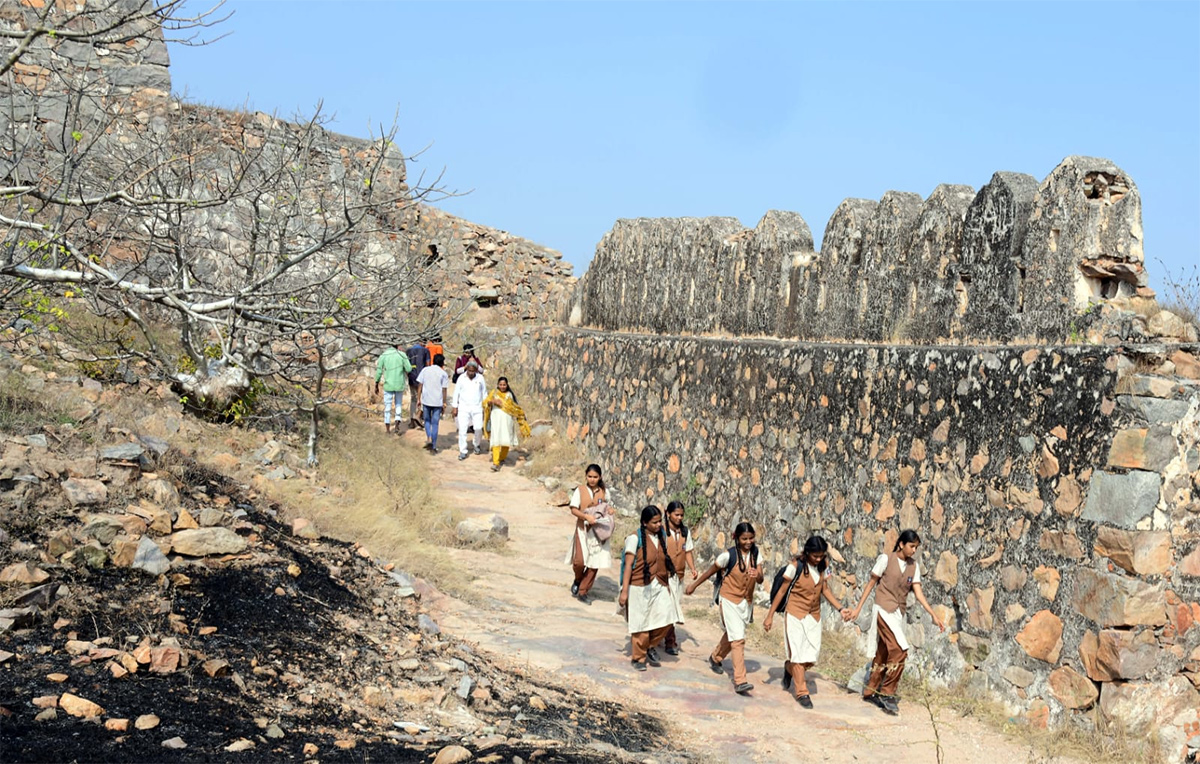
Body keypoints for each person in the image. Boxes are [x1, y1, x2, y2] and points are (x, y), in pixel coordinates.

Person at [848, 529, 946, 716]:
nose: (913, 550)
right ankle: (887, 693)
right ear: (901, 544)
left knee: (884, 652)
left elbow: (918, 593)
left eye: (916, 547)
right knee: (900, 649)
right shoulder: (886, 560)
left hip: (897, 613)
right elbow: (871, 584)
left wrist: (933, 614)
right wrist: (858, 609)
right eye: (911, 546)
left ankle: (871, 690)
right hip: (883, 609)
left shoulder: (913, 566)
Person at [763, 535, 852, 709]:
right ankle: (802, 692)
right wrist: (770, 615)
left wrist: (840, 609)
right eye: (815, 556)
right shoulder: (794, 567)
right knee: (797, 653)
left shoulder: (823, 566)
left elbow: (824, 590)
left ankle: (789, 669)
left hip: (813, 615)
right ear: (807, 552)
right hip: (795, 614)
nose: (818, 559)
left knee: (810, 656)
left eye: (821, 556)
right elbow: (781, 592)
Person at [686, 522, 763, 695]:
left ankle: (715, 658)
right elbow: (709, 572)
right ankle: (740, 680)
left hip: (745, 602)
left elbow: (761, 578)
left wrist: (757, 575)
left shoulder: (756, 554)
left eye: (751, 538)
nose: (748, 542)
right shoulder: (728, 556)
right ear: (737, 538)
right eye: (745, 539)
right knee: (738, 639)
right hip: (728, 599)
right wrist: (694, 585)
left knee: (732, 634)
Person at [619, 505, 683, 671]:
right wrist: (625, 591)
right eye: (654, 522)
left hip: (659, 583)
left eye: (659, 521)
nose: (658, 525)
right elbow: (628, 566)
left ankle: (649, 645)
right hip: (639, 586)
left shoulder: (661, 535)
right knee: (640, 624)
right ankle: (638, 658)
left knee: (667, 618)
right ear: (644, 523)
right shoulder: (634, 539)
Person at [562, 464, 612, 602]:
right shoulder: (580, 490)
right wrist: (586, 517)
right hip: (582, 529)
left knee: (594, 563)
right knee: (579, 561)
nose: (592, 479)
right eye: (590, 476)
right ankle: (578, 579)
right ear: (586, 476)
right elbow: (573, 509)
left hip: (599, 532)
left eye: (595, 477)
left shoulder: (604, 491)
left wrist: (610, 511)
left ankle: (583, 591)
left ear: (600, 477)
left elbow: (607, 507)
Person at [662, 501, 698, 656]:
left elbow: (688, 551)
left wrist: (693, 568)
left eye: (681, 515)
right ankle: (670, 641)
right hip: (664, 576)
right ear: (668, 514)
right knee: (668, 608)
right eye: (676, 514)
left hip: (679, 576)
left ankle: (665, 639)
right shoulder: (661, 530)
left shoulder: (685, 532)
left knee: (672, 608)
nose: (679, 518)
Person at [483, 377, 529, 472]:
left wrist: (521, 415)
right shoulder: (494, 393)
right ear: (498, 385)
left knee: (505, 440)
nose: (502, 386)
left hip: (507, 421)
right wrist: (493, 401)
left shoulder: (509, 395)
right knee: (496, 440)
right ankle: (496, 463)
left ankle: (502, 457)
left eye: (504, 385)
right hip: (496, 420)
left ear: (507, 385)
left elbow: (514, 408)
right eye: (501, 384)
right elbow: (484, 403)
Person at [451, 361, 488, 460]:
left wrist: (486, 406)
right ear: (466, 369)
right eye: (469, 370)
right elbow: (456, 393)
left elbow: (484, 393)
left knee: (478, 428)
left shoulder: (480, 378)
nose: (471, 373)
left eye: (473, 371)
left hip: (477, 408)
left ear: (476, 370)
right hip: (463, 408)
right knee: (462, 430)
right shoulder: (461, 378)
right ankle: (463, 451)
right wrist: (455, 407)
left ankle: (476, 444)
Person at [374, 341, 413, 435]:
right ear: (397, 345)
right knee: (398, 404)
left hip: (388, 384)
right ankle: (397, 425)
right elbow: (409, 369)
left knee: (387, 406)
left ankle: (387, 429)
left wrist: (376, 384)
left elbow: (379, 370)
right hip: (399, 384)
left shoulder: (384, 355)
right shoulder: (402, 355)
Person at [415, 353, 449, 454]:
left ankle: (429, 437)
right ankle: (433, 446)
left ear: (433, 360)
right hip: (437, 402)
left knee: (427, 420)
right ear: (442, 363)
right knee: (435, 424)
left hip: (426, 400)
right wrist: (444, 402)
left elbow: (420, 385)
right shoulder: (443, 374)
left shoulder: (425, 370)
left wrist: (418, 399)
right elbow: (444, 390)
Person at [405, 338, 430, 429]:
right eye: (425, 342)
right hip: (421, 377)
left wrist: (408, 376)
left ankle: (412, 421)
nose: (425, 344)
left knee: (413, 398)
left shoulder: (408, 350)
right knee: (424, 397)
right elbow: (428, 364)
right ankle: (419, 415)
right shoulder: (425, 351)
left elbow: (406, 365)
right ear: (422, 342)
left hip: (411, 376)